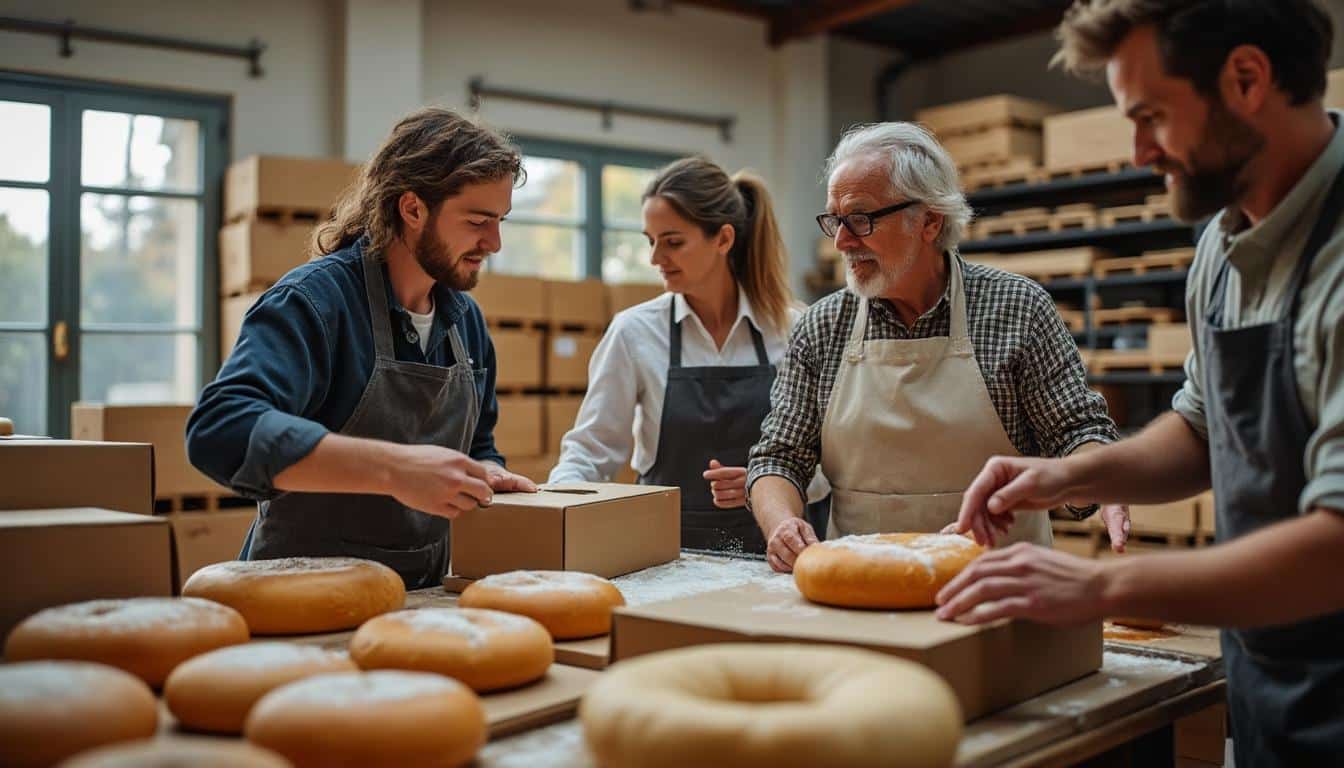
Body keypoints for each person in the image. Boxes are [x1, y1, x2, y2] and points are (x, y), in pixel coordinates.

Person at [936, 2, 1344, 764]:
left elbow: (1336, 546)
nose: (1136, 152)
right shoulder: (1225, 244)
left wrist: (1098, 590)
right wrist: (1064, 475)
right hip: (1275, 686)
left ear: (1247, 78)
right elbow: (1201, 425)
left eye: (1151, 116)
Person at [747, 122, 1130, 574]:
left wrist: (1103, 481)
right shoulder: (822, 327)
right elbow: (778, 458)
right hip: (863, 588)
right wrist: (783, 525)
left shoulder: (1017, 309)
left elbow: (1077, 434)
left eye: (861, 218)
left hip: (1001, 585)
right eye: (835, 220)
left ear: (929, 220)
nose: (842, 241)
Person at [187, 107, 537, 590]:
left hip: (422, 598)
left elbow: (478, 444)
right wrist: (394, 470)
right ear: (413, 209)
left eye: (500, 221)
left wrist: (487, 473)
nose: (494, 243)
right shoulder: (316, 302)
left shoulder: (465, 323)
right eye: (478, 220)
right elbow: (220, 429)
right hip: (297, 598)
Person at [548, 157, 825, 554]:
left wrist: (769, 486)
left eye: (673, 241)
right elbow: (591, 452)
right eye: (651, 240)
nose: (656, 257)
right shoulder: (634, 332)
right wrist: (552, 506)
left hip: (780, 554)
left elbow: (829, 469)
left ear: (723, 239)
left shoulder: (793, 329)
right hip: (663, 555)